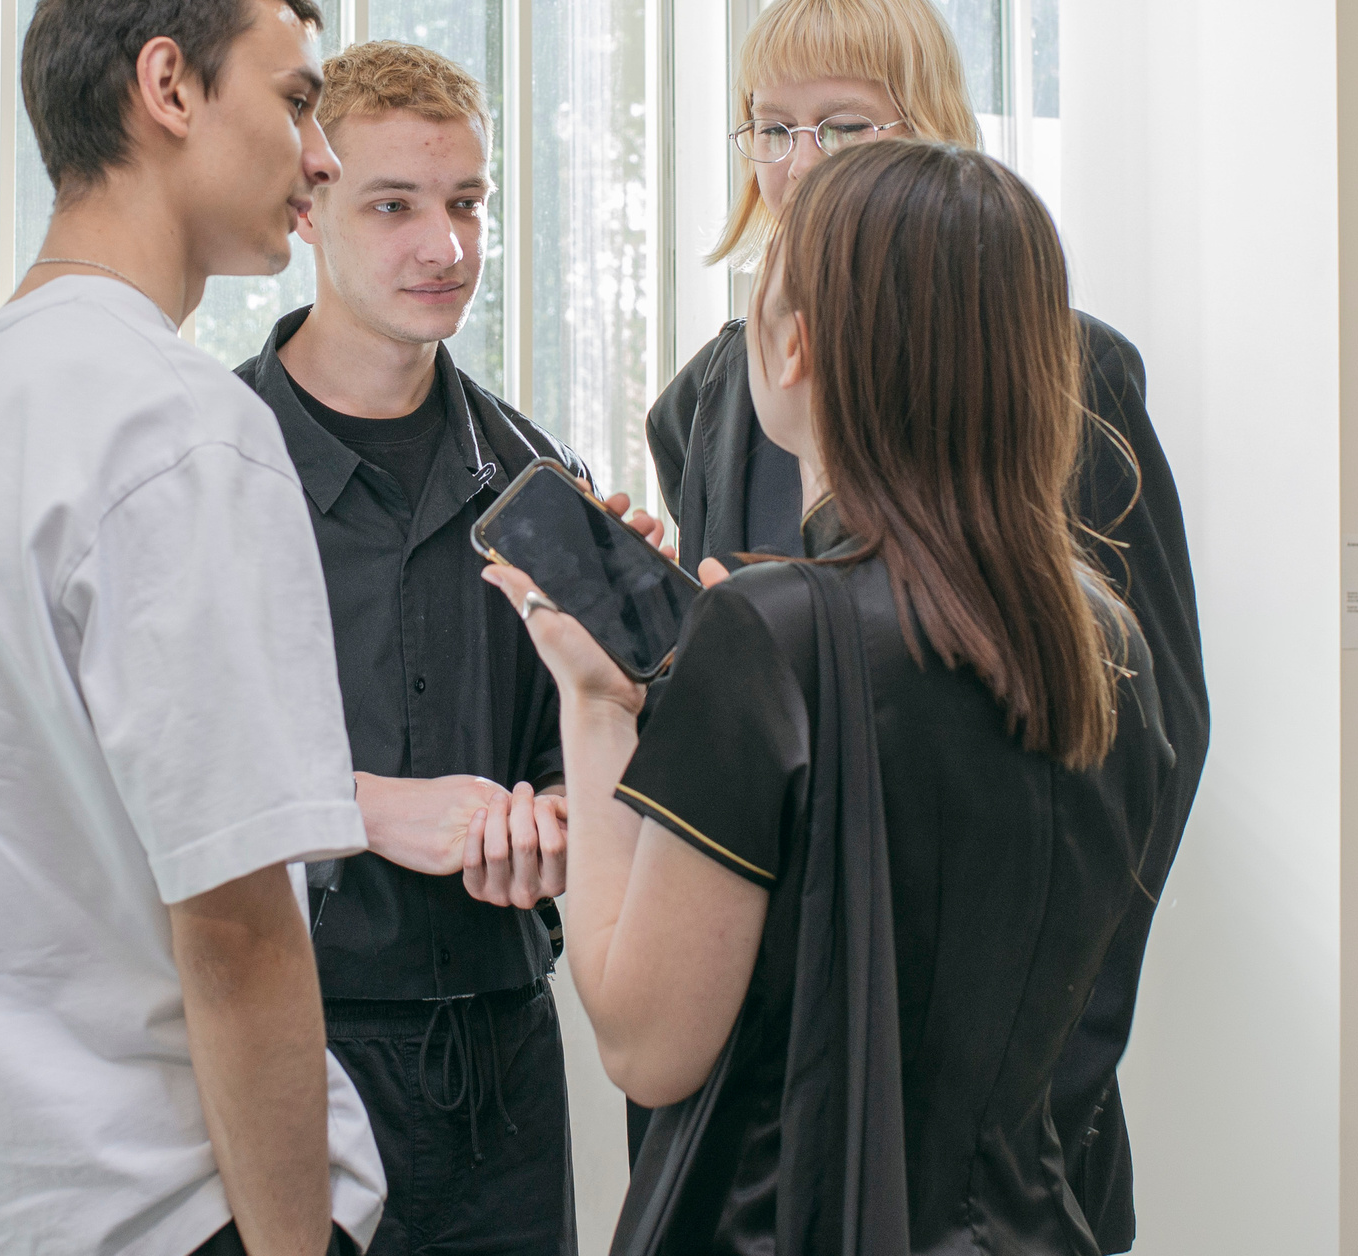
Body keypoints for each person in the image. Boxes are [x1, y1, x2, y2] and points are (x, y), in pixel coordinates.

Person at [0, 0, 385, 1256]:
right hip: (168, 1215)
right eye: (295, 100)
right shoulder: (174, 421)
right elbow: (237, 926)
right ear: (168, 84)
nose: (322, 155)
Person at [485, 139, 1177, 1255]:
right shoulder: (1104, 641)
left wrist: (598, 705)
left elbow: (646, 1046)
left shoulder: (769, 636)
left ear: (793, 344)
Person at [644, 0, 1208, 1247]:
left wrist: (1036, 1074)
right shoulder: (708, 398)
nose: (798, 165)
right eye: (771, 128)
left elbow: (1151, 737)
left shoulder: (1067, 369)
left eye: (843, 127)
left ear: (933, 126)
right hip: (763, 1068)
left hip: (995, 1085)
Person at [234, 39, 588, 1256]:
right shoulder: (210, 466)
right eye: (393, 205)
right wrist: (366, 808)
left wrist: (555, 823)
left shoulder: (541, 482)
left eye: (466, 203)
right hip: (283, 1042)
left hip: (504, 1060)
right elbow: (128, 774)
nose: (445, 246)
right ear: (308, 206)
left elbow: (585, 754)